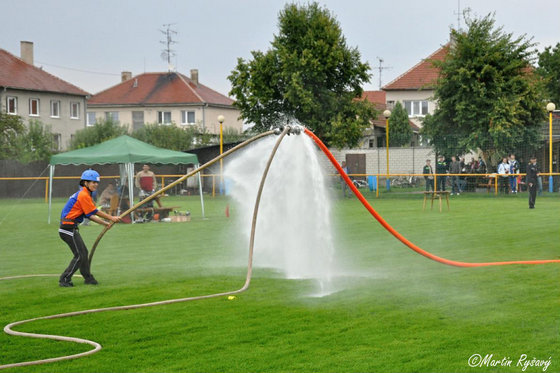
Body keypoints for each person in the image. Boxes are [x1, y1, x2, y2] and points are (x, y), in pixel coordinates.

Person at [59, 170, 121, 287]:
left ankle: (88, 278)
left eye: (97, 183)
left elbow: (90, 215)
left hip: (71, 228)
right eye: (93, 182)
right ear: (85, 183)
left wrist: (105, 223)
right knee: (79, 255)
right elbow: (94, 211)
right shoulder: (83, 195)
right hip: (67, 228)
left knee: (83, 253)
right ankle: (64, 279)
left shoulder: (85, 195)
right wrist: (111, 217)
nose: (96, 185)